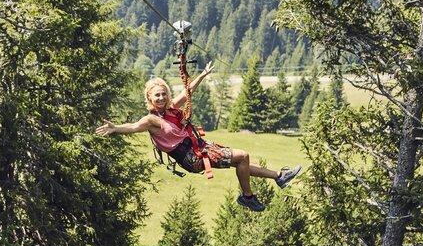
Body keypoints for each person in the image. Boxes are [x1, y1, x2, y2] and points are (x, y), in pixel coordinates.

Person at [95, 62, 301, 212]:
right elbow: (134, 127)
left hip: (199, 148)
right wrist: (115, 128)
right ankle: (248, 196)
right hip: (192, 158)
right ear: (149, 98)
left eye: (163, 94)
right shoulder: (152, 120)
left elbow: (188, 92)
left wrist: (202, 76)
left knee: (241, 160)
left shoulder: (172, 109)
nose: (161, 98)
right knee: (242, 156)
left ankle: (278, 177)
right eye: (156, 95)